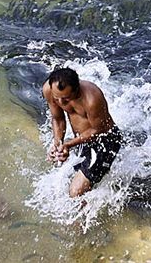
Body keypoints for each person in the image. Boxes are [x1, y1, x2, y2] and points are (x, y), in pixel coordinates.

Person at [42, 67, 122, 197]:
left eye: (66, 99)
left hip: (105, 141)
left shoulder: (92, 98)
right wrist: (58, 144)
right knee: (61, 184)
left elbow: (98, 129)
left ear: (76, 89)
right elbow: (58, 118)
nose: (61, 102)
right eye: (57, 98)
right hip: (81, 140)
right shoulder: (49, 90)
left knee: (76, 191)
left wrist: (69, 144)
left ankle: (81, 218)